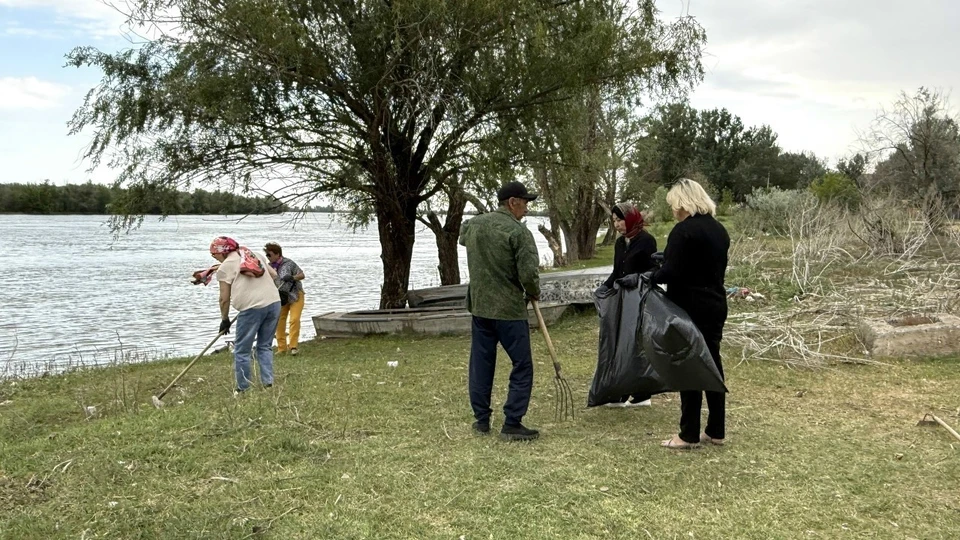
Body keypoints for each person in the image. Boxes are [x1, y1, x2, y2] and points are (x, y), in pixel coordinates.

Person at [459, 181, 542, 441]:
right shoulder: (518, 233)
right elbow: (528, 273)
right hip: (508, 310)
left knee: (481, 364)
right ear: (512, 202)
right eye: (525, 202)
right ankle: (512, 423)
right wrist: (533, 291)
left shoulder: (474, 225)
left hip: (481, 307)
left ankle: (481, 420)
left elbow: (462, 236)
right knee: (522, 365)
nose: (527, 208)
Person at [652, 179, 730, 449]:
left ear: (683, 202)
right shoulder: (719, 230)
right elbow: (702, 265)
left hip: (689, 306)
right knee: (712, 364)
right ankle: (717, 430)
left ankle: (688, 434)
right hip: (715, 303)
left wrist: (652, 274)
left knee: (689, 366)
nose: (672, 210)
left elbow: (673, 271)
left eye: (673, 204)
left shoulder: (683, 231)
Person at [602, 202, 658, 408]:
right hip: (622, 297)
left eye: (620, 220)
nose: (617, 224)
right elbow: (617, 271)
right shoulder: (620, 243)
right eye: (614, 221)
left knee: (635, 343)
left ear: (631, 218)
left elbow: (655, 270)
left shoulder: (646, 241)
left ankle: (641, 392)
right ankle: (624, 390)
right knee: (620, 342)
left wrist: (639, 277)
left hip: (640, 297)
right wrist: (605, 287)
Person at [210, 236, 281, 393]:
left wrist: (224, 319)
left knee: (242, 350)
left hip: (251, 309)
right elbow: (274, 274)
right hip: (274, 303)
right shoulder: (253, 254)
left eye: (213, 254)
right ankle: (268, 383)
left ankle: (243, 388)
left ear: (221, 252)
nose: (213, 257)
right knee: (265, 346)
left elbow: (224, 299)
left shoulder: (225, 268)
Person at [264, 242, 306, 356]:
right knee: (278, 322)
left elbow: (302, 275)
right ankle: (281, 348)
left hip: (295, 295)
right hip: (280, 297)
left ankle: (293, 346)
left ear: (277, 254)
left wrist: (292, 277)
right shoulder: (269, 267)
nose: (268, 257)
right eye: (266, 255)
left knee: (294, 319)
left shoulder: (289, 263)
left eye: (269, 255)